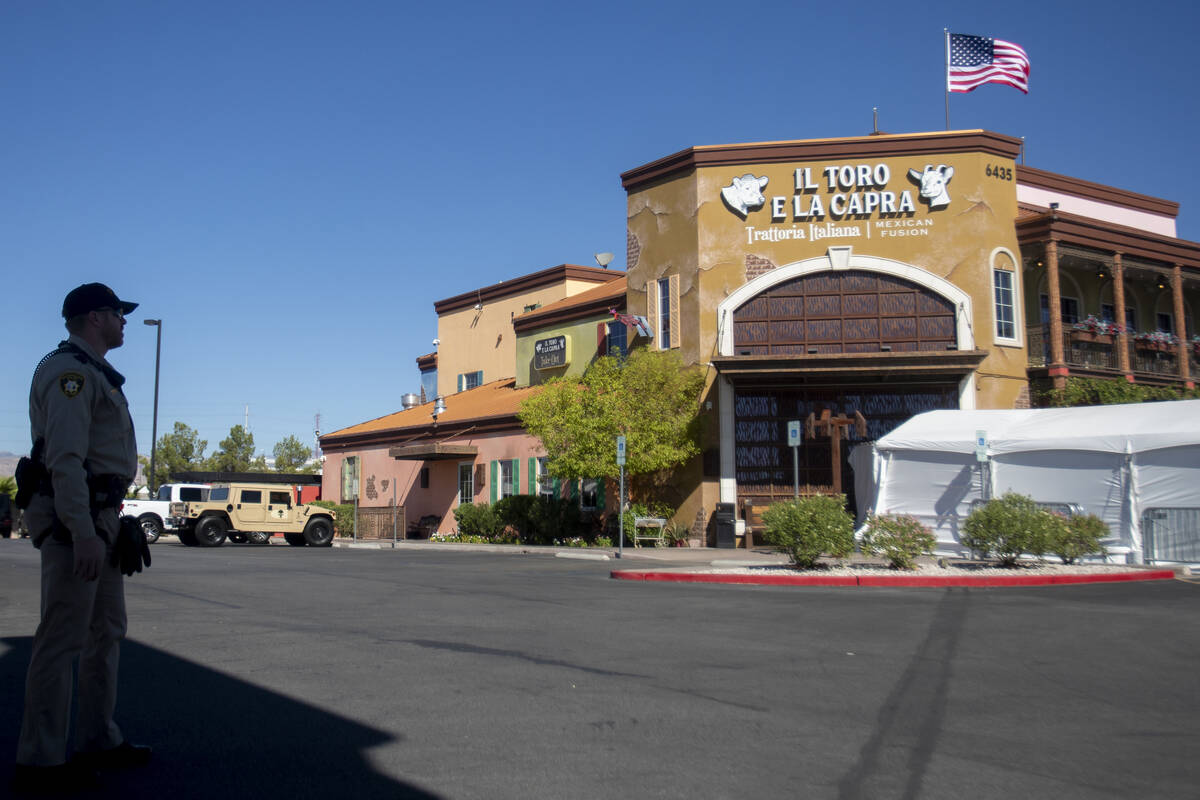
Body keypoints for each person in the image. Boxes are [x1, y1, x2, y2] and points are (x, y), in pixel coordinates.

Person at [12, 283, 152, 794]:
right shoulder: (70, 372)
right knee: (62, 638)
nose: (124, 321)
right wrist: (82, 532)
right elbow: (64, 460)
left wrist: (106, 526)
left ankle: (98, 737)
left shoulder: (94, 372)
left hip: (102, 519)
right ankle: (41, 760)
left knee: (106, 630)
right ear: (95, 317)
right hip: (80, 522)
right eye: (118, 313)